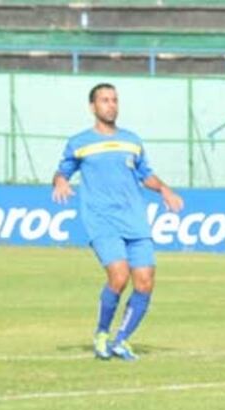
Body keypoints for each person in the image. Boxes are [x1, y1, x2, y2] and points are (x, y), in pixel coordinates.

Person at [53, 83, 184, 362]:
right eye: (104, 100)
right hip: (101, 220)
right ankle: (102, 333)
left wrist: (165, 190)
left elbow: (145, 174)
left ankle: (120, 340)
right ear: (92, 107)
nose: (111, 105)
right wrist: (61, 181)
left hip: (135, 220)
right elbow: (62, 171)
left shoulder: (131, 140)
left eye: (114, 100)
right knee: (119, 276)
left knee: (146, 282)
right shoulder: (79, 143)